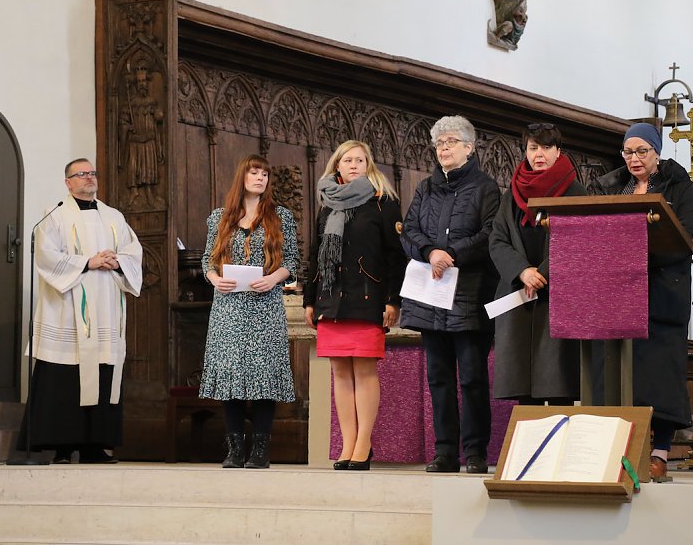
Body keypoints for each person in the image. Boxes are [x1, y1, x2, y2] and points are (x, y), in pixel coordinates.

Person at [591, 122, 693, 481]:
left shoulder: (679, 186)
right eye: (628, 152)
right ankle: (617, 449)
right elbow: (595, 228)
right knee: (616, 371)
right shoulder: (611, 186)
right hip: (617, 291)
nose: (635, 159)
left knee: (659, 374)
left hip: (661, 289)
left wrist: (640, 250)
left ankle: (659, 452)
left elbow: (689, 235)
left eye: (642, 151)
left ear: (657, 152)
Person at [18, 158, 143, 464]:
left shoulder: (114, 216)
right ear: (68, 182)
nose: (89, 178)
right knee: (64, 378)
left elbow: (133, 251)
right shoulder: (55, 216)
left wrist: (117, 262)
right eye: (81, 174)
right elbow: (47, 257)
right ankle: (62, 447)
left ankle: (94, 447)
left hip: (106, 309)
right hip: (68, 311)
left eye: (92, 173)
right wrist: (89, 262)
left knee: (102, 373)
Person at [400, 115, 501, 474]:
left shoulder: (486, 188)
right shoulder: (426, 188)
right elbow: (408, 230)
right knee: (438, 378)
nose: (443, 148)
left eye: (451, 142)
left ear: (469, 147)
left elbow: (491, 234)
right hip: (431, 295)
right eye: (439, 143)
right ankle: (445, 452)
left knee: (473, 378)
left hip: (470, 295)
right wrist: (429, 252)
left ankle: (475, 453)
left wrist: (452, 254)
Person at [303, 140, 405, 471]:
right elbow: (316, 253)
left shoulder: (383, 203)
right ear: (337, 166)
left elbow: (395, 255)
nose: (354, 165)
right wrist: (309, 298)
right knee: (339, 372)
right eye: (348, 160)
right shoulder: (326, 204)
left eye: (361, 160)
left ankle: (364, 443)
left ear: (369, 165)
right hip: (331, 300)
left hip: (366, 297)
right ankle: (347, 442)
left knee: (363, 369)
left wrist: (393, 299)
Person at [200, 155, 299, 469]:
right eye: (255, 172)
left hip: (264, 307)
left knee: (263, 378)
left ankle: (260, 450)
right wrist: (216, 279)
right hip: (228, 308)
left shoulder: (280, 215)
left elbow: (292, 262)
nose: (260, 178)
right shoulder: (220, 217)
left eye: (265, 174)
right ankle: (234, 449)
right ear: (242, 176)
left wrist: (273, 278)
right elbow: (207, 261)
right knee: (231, 378)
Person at [489, 123, 586, 405]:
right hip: (520, 295)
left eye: (546, 147)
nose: (539, 154)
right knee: (524, 388)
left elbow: (578, 243)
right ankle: (530, 449)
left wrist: (541, 274)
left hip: (557, 297)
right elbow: (497, 239)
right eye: (533, 148)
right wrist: (522, 271)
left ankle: (558, 447)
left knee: (558, 386)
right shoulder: (513, 194)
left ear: (558, 151)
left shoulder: (574, 192)